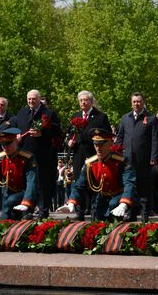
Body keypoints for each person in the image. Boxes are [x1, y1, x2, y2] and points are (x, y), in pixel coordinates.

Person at [57, 128, 136, 221]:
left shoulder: (122, 162)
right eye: (95, 144)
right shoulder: (90, 163)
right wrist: (71, 202)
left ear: (111, 143)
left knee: (114, 215)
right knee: (96, 224)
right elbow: (79, 185)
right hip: (100, 199)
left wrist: (124, 203)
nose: (98, 147)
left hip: (118, 199)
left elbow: (129, 184)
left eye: (102, 144)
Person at [12, 89, 61, 219]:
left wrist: (42, 134)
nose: (31, 101)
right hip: (24, 153)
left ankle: (43, 210)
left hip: (42, 154)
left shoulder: (49, 113)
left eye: (34, 99)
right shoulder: (22, 112)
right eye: (29, 99)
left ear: (39, 99)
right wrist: (16, 135)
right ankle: (28, 208)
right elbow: (16, 127)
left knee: (42, 183)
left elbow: (57, 132)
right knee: (27, 183)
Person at [67, 90, 111, 219]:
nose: (83, 102)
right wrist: (69, 141)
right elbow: (69, 133)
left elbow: (107, 135)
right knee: (79, 183)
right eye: (81, 100)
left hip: (94, 154)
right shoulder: (75, 116)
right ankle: (79, 210)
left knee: (94, 182)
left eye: (86, 100)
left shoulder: (101, 117)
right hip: (78, 154)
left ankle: (94, 211)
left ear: (91, 101)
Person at [116, 92, 158, 222]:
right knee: (130, 186)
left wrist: (154, 157)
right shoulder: (125, 118)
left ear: (143, 102)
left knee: (143, 187)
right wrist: (117, 153)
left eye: (139, 101)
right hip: (128, 160)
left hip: (144, 160)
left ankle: (145, 213)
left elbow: (155, 140)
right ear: (131, 102)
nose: (136, 104)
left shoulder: (151, 118)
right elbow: (120, 137)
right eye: (134, 101)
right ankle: (131, 212)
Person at [0, 128, 38, 219]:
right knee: (4, 223)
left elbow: (31, 182)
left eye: (9, 143)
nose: (5, 147)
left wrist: (26, 202)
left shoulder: (27, 158)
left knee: (23, 223)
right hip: (6, 197)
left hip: (25, 195)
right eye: (3, 144)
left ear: (16, 141)